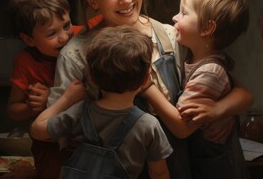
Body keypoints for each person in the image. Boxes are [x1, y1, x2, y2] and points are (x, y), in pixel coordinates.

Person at [48, 0, 253, 178]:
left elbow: (238, 91)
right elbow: (59, 133)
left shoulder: (169, 36)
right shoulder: (76, 54)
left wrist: (218, 110)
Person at [31, 26, 172, 179]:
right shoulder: (149, 125)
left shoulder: (79, 112)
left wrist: (66, 98)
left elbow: (37, 130)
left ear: (91, 77)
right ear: (146, 79)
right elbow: (159, 173)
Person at [144, 0, 250, 178]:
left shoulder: (210, 71)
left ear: (207, 28)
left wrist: (147, 87)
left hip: (217, 168)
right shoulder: (192, 57)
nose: (175, 17)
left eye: (184, 13)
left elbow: (182, 128)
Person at [6, 0, 84, 179]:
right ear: (29, 39)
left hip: (83, 138)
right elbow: (13, 109)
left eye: (66, 25)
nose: (64, 37)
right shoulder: (26, 63)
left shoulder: (82, 36)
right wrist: (33, 106)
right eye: (52, 33)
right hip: (49, 144)